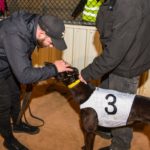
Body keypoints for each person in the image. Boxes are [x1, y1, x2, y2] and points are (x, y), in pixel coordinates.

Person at [79, 0, 150, 150]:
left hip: (125, 65)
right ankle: (107, 128)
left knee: (122, 112)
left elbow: (117, 51)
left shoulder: (129, 3)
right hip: (120, 60)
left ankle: (120, 146)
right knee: (105, 99)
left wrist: (86, 74)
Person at [0, 11, 72, 150]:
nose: (52, 46)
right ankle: (8, 139)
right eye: (51, 42)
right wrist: (54, 69)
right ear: (41, 34)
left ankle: (17, 124)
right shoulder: (15, 35)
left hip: (8, 61)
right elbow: (24, 76)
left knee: (15, 94)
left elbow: (25, 49)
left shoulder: (35, 23)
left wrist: (28, 68)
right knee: (4, 104)